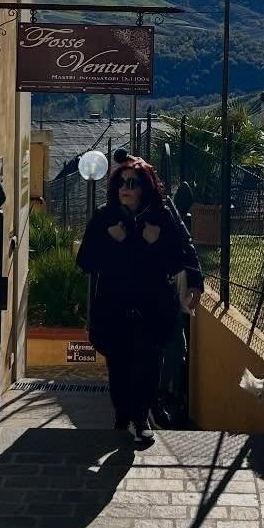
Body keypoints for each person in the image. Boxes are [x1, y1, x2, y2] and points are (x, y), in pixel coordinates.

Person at [76, 156, 203, 447]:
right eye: (121, 182)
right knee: (119, 369)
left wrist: (158, 243)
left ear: (144, 187)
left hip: (152, 307)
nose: (125, 188)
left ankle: (141, 419)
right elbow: (85, 261)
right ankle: (123, 416)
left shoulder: (161, 216)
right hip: (114, 308)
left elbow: (180, 255)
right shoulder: (104, 217)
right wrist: (111, 241)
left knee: (148, 366)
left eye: (132, 183)